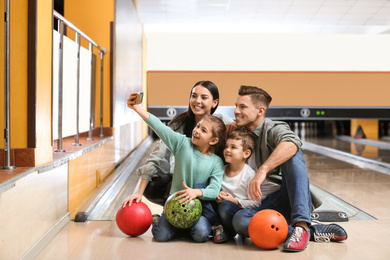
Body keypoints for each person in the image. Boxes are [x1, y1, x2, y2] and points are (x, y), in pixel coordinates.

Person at [228, 85, 347, 252]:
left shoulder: (274, 128)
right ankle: (308, 232)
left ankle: (301, 224)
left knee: (293, 151)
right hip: (258, 204)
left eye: (242, 107)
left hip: (283, 200)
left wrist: (263, 170)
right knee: (239, 221)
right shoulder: (237, 130)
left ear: (260, 110)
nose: (236, 111)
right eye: (235, 106)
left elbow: (291, 143)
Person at [122, 92, 227, 243]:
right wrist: (137, 108)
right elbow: (159, 127)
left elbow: (214, 189)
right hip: (173, 205)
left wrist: (197, 192)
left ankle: (182, 229)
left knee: (201, 235)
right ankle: (159, 221)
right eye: (198, 126)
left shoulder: (216, 162)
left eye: (203, 130)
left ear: (214, 140)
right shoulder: (182, 143)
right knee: (161, 236)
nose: (197, 130)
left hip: (198, 210)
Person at [129, 81, 233, 206]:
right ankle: (173, 211)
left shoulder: (225, 123)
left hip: (212, 184)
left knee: (209, 191)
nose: (197, 101)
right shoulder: (180, 125)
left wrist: (238, 125)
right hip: (182, 182)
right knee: (152, 184)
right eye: (194, 96)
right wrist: (138, 192)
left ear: (214, 102)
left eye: (204, 97)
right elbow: (158, 153)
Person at [201, 129, 261, 243]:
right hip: (219, 212)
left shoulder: (249, 175)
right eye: (226, 146)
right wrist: (217, 194)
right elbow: (212, 188)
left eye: (233, 147)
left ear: (246, 153)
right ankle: (218, 226)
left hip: (235, 213)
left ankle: (226, 231)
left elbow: (256, 203)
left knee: (225, 206)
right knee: (200, 189)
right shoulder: (220, 169)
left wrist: (234, 201)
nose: (227, 150)